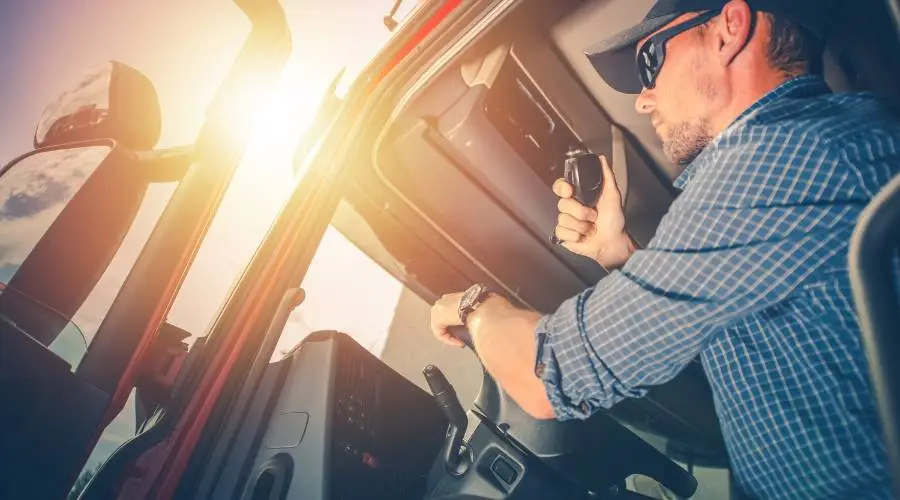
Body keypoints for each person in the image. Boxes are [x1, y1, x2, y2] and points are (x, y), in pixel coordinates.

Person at [429, 0, 900, 498]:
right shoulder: (820, 144)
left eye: (650, 61)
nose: (643, 100)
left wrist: (473, 306)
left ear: (728, 29)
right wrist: (618, 254)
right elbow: (747, 331)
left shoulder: (770, 164)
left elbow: (552, 374)